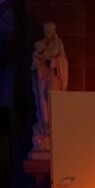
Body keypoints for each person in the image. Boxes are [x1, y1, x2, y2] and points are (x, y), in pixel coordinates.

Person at [31, 22, 68, 153]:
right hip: (41, 73)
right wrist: (39, 59)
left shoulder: (58, 44)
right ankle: (44, 124)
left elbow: (63, 61)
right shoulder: (39, 44)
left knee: (51, 96)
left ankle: (52, 124)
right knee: (41, 97)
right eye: (46, 30)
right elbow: (35, 58)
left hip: (52, 73)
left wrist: (53, 61)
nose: (48, 33)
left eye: (50, 30)